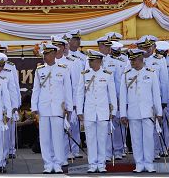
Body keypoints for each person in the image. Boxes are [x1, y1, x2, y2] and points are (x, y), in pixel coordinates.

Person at [31, 43, 73, 174]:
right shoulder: (40, 70)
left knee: (58, 138)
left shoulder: (63, 69)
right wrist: (34, 107)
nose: (45, 57)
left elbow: (68, 90)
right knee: (45, 138)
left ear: (54, 54)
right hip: (44, 108)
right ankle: (48, 164)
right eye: (44, 54)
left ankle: (58, 163)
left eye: (48, 54)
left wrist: (69, 107)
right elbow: (36, 90)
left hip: (58, 109)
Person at [119, 49, 162, 173]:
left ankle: (148, 163)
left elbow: (156, 95)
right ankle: (139, 163)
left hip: (148, 112)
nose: (132, 62)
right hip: (133, 112)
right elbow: (123, 96)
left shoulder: (151, 73)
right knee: (136, 139)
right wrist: (123, 113)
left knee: (148, 138)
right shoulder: (126, 74)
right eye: (131, 60)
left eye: (134, 60)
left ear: (141, 59)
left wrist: (158, 112)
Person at [75, 50, 116, 173]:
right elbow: (79, 93)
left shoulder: (107, 74)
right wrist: (79, 110)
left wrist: (113, 111)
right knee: (91, 139)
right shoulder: (84, 74)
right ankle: (92, 164)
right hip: (89, 111)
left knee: (102, 139)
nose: (89, 63)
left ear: (98, 61)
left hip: (103, 112)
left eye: (91, 61)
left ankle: (101, 164)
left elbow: (112, 94)